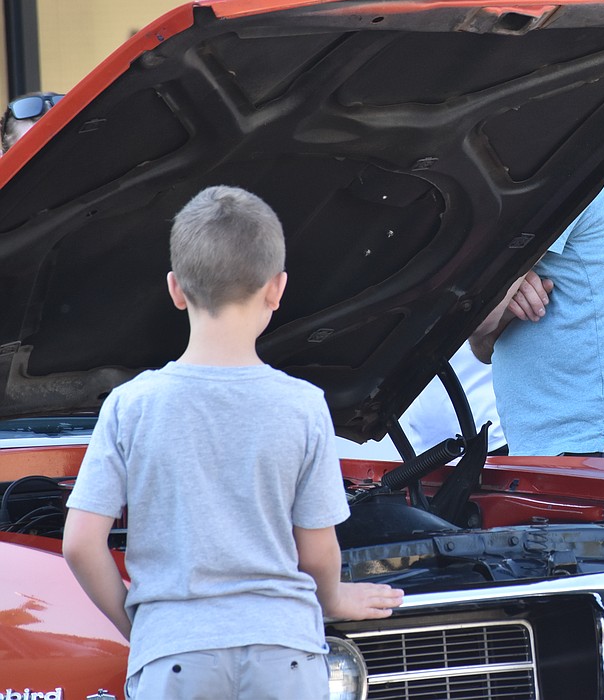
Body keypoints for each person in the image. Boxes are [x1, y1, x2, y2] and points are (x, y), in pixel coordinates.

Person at [62, 186, 403, 699]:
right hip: (285, 655)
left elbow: (80, 544)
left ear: (176, 290)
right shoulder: (304, 406)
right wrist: (332, 598)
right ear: (277, 289)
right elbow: (316, 553)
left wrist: (145, 632)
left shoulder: (131, 405)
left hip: (173, 658)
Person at [471, 160, 604, 461]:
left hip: (596, 443)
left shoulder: (566, 168)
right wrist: (506, 307)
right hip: (576, 441)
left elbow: (477, 317)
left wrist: (493, 302)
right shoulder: (571, 156)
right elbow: (482, 343)